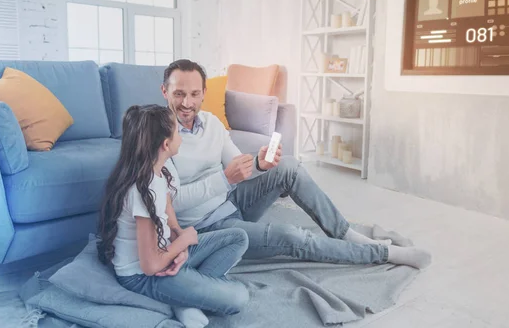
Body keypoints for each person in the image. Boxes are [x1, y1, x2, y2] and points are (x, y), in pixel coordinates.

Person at [161, 59, 432, 270]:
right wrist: (224, 179)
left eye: (195, 94)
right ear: (165, 91)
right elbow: (170, 204)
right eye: (179, 94)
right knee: (293, 236)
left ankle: (347, 234)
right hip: (207, 226)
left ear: (204, 93)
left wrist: (259, 163)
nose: (187, 103)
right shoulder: (155, 136)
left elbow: (236, 166)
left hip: (233, 201)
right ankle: (383, 254)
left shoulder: (211, 122)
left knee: (288, 165)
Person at [96, 104, 250, 323]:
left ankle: (183, 293)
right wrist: (184, 240)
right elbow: (150, 266)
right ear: (166, 144)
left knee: (238, 238)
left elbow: (168, 208)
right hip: (143, 276)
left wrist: (179, 238)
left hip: (163, 254)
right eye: (177, 131)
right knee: (239, 297)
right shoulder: (142, 190)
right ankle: (181, 300)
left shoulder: (161, 167)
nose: (181, 133)